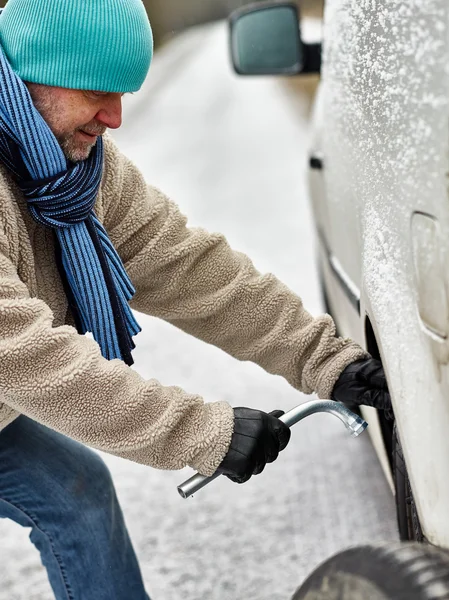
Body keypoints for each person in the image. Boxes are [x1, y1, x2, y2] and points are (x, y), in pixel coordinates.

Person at [0, 0, 391, 598]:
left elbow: (188, 267)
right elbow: (22, 355)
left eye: (126, 92)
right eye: (96, 91)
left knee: (77, 495)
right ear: (31, 74)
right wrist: (200, 432)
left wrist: (324, 359)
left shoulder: (77, 174)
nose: (115, 117)